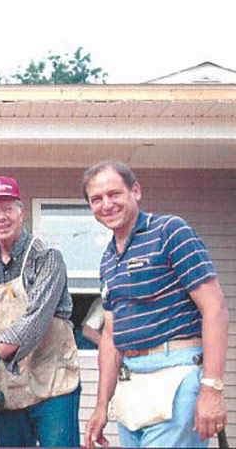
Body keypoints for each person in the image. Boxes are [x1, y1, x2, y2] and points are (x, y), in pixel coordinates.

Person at [82, 160, 228, 448]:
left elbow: (215, 309)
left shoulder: (170, 231)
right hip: (131, 383)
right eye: (96, 199)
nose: (106, 204)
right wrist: (101, 405)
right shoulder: (108, 259)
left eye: (114, 194)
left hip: (176, 373)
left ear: (135, 191)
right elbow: (110, 336)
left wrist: (212, 387)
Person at [0, 176, 81, 448]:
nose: (1, 217)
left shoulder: (47, 257)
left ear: (21, 213)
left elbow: (35, 321)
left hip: (54, 384)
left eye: (7, 209)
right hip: (9, 388)